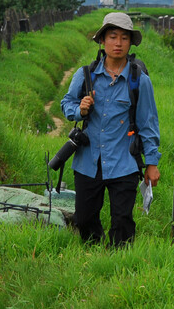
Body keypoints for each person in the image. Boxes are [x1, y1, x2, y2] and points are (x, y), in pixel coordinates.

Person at [61, 12, 161, 246]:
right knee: (84, 219)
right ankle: (94, 254)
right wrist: (81, 110)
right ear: (102, 40)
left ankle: (119, 266)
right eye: (113, 37)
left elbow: (148, 123)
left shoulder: (140, 81)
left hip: (124, 161)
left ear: (130, 43)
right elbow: (67, 104)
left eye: (124, 38)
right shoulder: (85, 74)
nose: (118, 43)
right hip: (88, 161)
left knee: (123, 220)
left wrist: (152, 163)